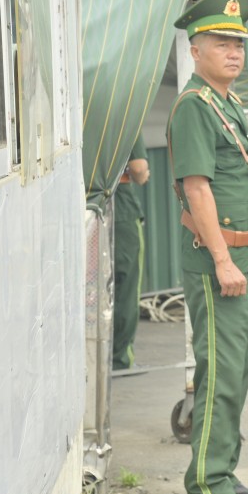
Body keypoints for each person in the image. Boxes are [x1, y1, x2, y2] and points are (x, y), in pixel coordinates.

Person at [166, 0, 248, 494]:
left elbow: (244, 182)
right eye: (221, 43)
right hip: (218, 263)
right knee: (220, 373)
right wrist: (225, 261)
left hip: (244, 258)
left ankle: (224, 470)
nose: (233, 52)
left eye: (238, 44)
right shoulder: (193, 107)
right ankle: (207, 489)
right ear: (195, 50)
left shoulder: (223, 102)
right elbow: (200, 190)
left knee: (238, 372)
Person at [112, 133, 150, 370]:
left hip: (81, 203)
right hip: (120, 208)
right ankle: (120, 358)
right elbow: (138, 168)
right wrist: (143, 176)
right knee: (125, 286)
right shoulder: (126, 113)